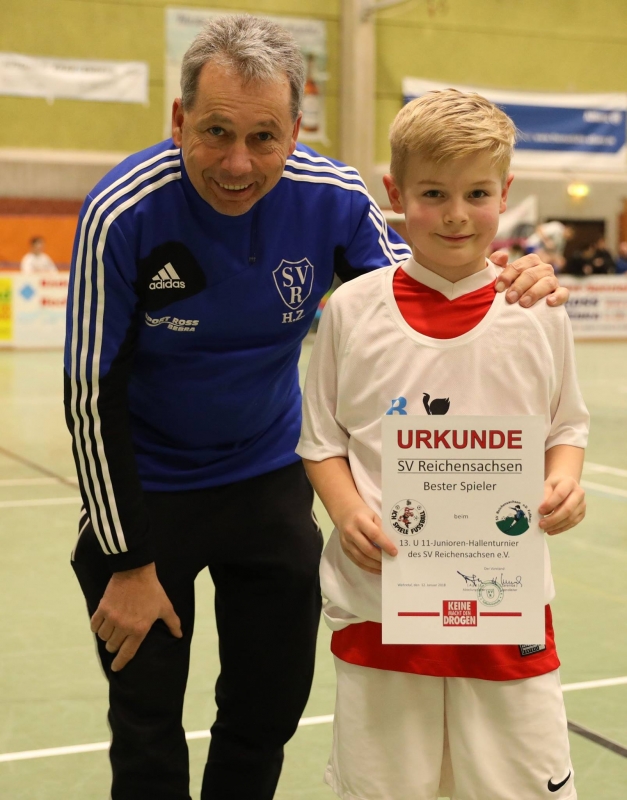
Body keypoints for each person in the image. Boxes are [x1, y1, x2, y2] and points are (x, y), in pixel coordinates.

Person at [64, 15, 570, 800]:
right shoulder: (123, 211)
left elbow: (426, 287)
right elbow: (88, 393)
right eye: (216, 132)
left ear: (295, 131)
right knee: (146, 724)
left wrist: (512, 279)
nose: (238, 163)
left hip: (266, 479)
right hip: (146, 490)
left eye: (263, 137)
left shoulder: (331, 198)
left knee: (263, 714)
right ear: (178, 119)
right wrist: (127, 561)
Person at [297, 89, 588, 800]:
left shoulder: (537, 311)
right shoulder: (353, 310)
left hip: (506, 613)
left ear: (504, 193)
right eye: (433, 194)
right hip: (381, 608)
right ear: (395, 194)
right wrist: (345, 512)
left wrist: (564, 482)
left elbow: (565, 428)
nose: (457, 214)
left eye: (476, 194)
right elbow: (321, 441)